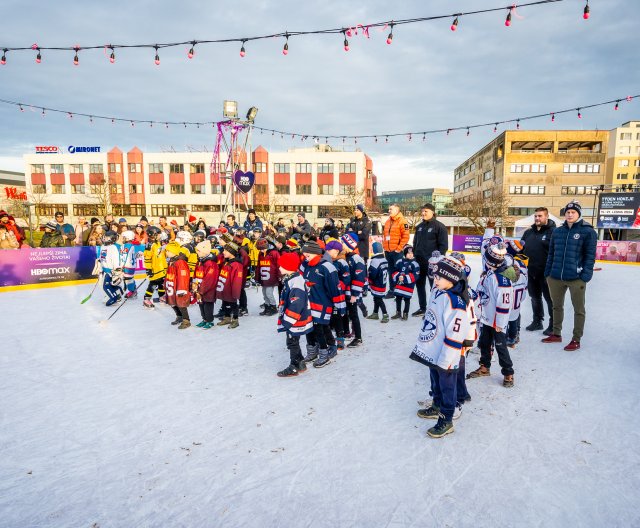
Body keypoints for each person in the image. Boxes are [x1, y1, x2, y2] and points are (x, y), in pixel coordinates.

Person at [410, 255, 471, 438]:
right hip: (434, 351)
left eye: (438, 277)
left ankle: (446, 420)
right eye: (434, 276)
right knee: (435, 381)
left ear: (451, 278)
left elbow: (455, 335)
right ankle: (436, 405)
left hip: (446, 355)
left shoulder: (456, 303)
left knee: (447, 387)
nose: (434, 279)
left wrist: (446, 359)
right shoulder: (439, 292)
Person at [543, 201, 597, 351]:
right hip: (555, 276)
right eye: (568, 212)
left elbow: (590, 256)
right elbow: (551, 254)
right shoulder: (558, 232)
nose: (570, 214)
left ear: (579, 214)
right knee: (556, 306)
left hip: (576, 277)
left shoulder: (588, 232)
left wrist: (585, 275)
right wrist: (548, 272)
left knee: (578, 309)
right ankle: (556, 333)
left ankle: (576, 339)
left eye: (573, 212)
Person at [467, 243, 515, 387]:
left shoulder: (501, 280)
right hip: (486, 317)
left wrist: (500, 323)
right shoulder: (488, 274)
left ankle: (508, 373)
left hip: (496, 321)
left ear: (490, 260)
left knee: (500, 346)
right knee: (484, 343)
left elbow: (505, 304)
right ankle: (484, 366)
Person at [301, 239, 344, 368]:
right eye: (304, 252)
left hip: (322, 304)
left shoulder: (327, 267)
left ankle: (324, 354)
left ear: (315, 252)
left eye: (307, 252)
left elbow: (335, 289)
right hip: (309, 304)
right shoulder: (306, 265)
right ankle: (312, 351)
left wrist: (339, 306)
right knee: (308, 328)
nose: (305, 255)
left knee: (320, 328)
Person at [276, 251, 315, 377]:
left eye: (281, 266)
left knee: (292, 342)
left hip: (296, 319)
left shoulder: (296, 282)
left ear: (288, 267)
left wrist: (288, 321)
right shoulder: (292, 278)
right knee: (294, 341)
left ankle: (294, 366)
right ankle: (301, 362)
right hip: (295, 318)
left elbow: (296, 304)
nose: (279, 268)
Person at [521, 207, 556, 334]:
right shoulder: (528, 233)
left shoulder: (554, 232)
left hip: (547, 273)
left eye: (540, 216)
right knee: (535, 298)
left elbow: (557, 253)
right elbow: (521, 250)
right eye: (536, 216)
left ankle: (553, 325)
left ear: (546, 217)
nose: (537, 218)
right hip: (531, 272)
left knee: (550, 299)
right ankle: (537, 321)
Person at [412, 204, 448, 316]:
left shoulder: (439, 226)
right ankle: (423, 308)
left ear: (432, 212)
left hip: (433, 264)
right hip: (419, 261)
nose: (423, 213)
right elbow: (415, 243)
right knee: (420, 285)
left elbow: (443, 246)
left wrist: (437, 260)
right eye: (422, 211)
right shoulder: (419, 226)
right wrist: (414, 255)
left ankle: (434, 309)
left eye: (426, 211)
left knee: (435, 287)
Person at [341, 233, 366, 348]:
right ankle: (350, 332)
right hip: (346, 292)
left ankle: (358, 337)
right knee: (348, 314)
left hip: (352, 293)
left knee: (354, 315)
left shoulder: (357, 259)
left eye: (342, 243)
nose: (341, 245)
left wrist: (354, 294)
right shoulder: (346, 257)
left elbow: (359, 278)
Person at [382, 203, 410, 298]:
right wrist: (384, 247)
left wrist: (398, 249)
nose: (389, 211)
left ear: (397, 210)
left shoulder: (402, 221)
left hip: (397, 252)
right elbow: (385, 236)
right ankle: (392, 290)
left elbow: (406, 237)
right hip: (388, 251)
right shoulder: (387, 221)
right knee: (391, 271)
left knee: (398, 271)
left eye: (391, 209)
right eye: (389, 209)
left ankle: (399, 290)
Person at [164, 241, 192, 329]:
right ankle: (179, 316)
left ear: (174, 251)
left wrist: (182, 289)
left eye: (168, 251)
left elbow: (183, 276)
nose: (166, 252)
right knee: (172, 302)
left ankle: (186, 320)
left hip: (178, 286)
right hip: (171, 285)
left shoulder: (180, 263)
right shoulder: (172, 260)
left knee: (181, 303)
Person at [216, 242, 244, 329]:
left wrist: (235, 292)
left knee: (233, 304)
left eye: (225, 250)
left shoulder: (237, 265)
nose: (223, 252)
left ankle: (235, 320)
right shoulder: (227, 262)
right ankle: (227, 317)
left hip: (231, 289)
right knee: (225, 303)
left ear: (231, 252)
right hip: (225, 287)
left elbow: (237, 280)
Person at [193, 240, 220, 329]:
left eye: (199, 251)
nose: (197, 253)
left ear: (205, 251)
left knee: (207, 305)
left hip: (208, 290)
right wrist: (194, 286)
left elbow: (209, 279)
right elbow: (195, 274)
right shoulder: (200, 261)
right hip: (199, 287)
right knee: (201, 304)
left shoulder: (211, 264)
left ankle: (210, 321)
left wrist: (201, 290)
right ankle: (204, 319)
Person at [391, 245, 420, 320]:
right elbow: (394, 271)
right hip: (399, 285)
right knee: (398, 298)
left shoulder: (415, 264)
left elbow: (415, 275)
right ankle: (398, 313)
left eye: (412, 253)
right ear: (404, 254)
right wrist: (398, 276)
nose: (410, 255)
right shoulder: (399, 261)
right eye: (408, 253)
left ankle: (405, 313)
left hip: (408, 286)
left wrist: (404, 278)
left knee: (407, 299)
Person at [142, 226, 168, 308]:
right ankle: (146, 299)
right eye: (159, 234)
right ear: (154, 235)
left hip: (161, 269)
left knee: (162, 284)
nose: (160, 236)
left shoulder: (158, 243)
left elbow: (161, 255)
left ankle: (162, 297)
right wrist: (148, 269)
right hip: (154, 269)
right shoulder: (149, 245)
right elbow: (147, 258)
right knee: (152, 284)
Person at [98, 230, 124, 306]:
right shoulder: (103, 246)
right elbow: (102, 257)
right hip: (104, 269)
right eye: (104, 237)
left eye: (106, 237)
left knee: (106, 286)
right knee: (108, 285)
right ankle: (118, 291)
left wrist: (116, 272)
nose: (104, 238)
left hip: (111, 271)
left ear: (112, 238)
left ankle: (114, 298)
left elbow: (116, 260)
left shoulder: (113, 247)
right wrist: (99, 263)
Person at [255, 237, 280, 316]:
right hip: (264, 277)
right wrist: (257, 276)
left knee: (269, 293)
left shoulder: (274, 253)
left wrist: (279, 275)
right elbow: (258, 265)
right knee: (264, 293)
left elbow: (279, 264)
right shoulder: (261, 254)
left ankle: (273, 307)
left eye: (263, 249)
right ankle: (267, 307)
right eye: (260, 249)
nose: (261, 251)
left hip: (271, 277)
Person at [366, 241, 389, 323]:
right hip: (383, 283)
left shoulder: (375, 261)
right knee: (376, 298)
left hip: (377, 284)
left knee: (378, 299)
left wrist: (369, 278)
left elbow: (373, 273)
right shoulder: (384, 259)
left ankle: (385, 314)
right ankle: (375, 313)